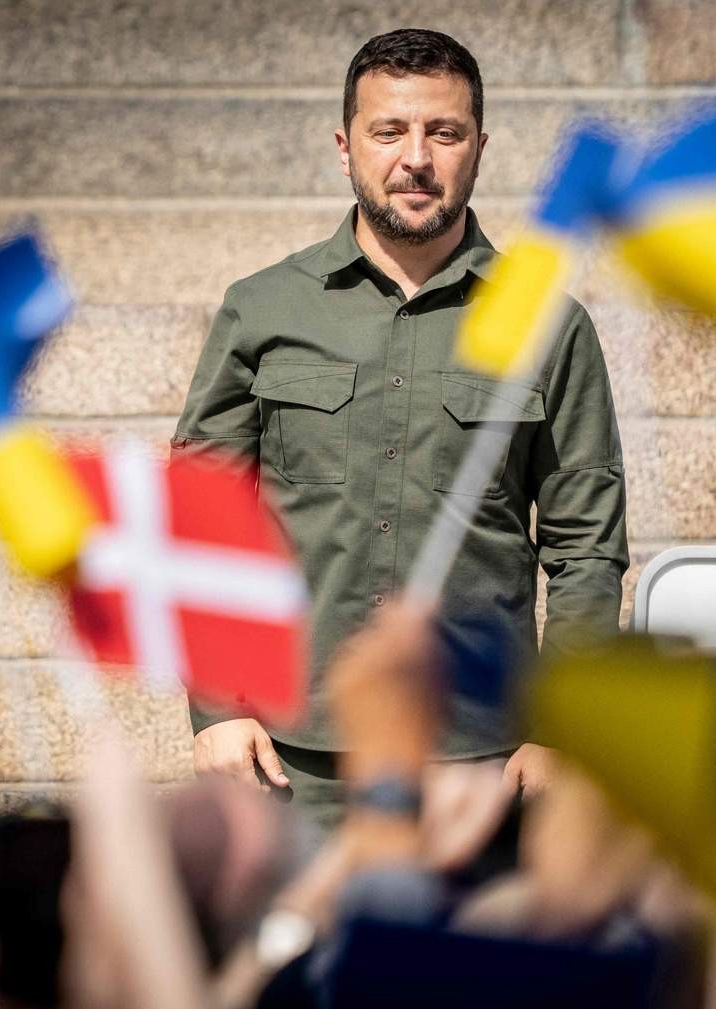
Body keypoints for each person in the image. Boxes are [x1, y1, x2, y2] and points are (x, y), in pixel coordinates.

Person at [173, 27, 628, 826]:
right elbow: (199, 513)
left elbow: (585, 547)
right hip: (289, 761)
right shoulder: (264, 308)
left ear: (479, 147)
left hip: (481, 765)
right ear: (345, 146)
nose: (416, 157)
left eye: (443, 132)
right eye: (390, 131)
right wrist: (218, 709)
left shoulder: (548, 325)